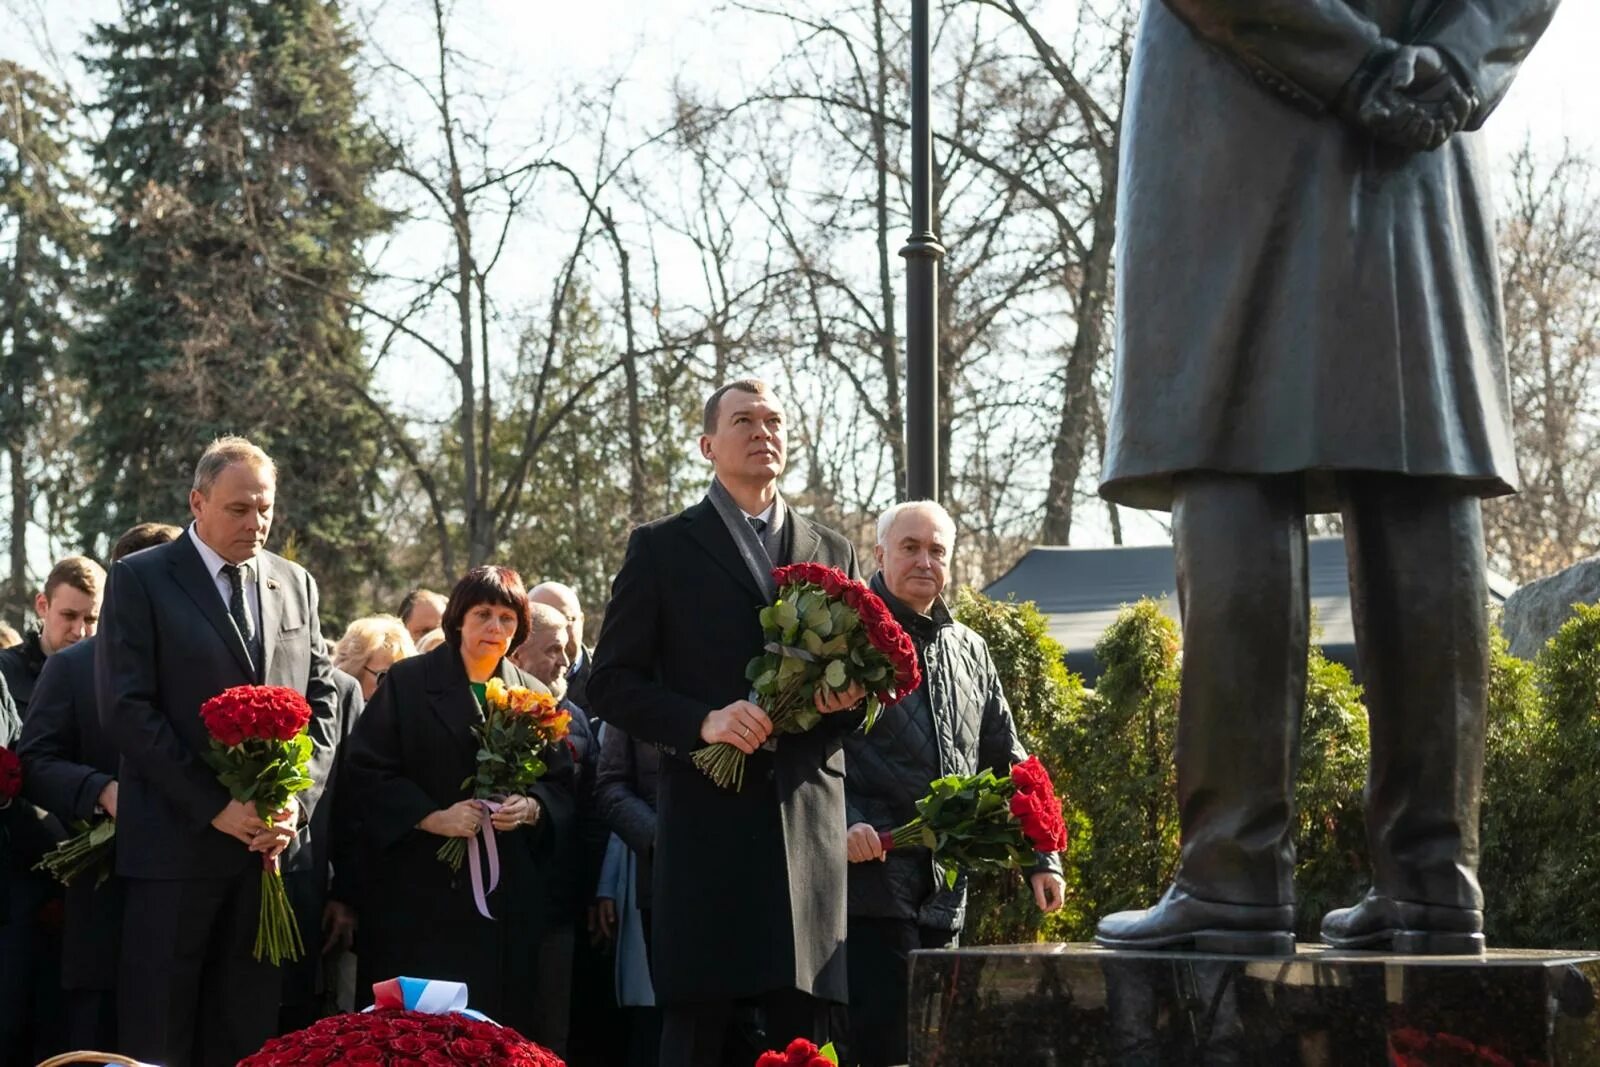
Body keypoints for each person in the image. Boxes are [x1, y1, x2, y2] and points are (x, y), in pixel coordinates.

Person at [1094, 0, 1561, 955]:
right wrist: (1451, 64)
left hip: (1242, 119)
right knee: (1417, 456)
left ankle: (1233, 871)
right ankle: (1433, 877)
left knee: (1230, 444)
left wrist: (1354, 67)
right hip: (1421, 135)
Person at [590, 379, 865, 1066]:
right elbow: (611, 684)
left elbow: (866, 694)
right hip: (706, 834)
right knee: (697, 1038)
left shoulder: (833, 550)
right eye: (743, 420)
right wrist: (702, 721)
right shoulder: (660, 549)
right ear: (708, 444)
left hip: (805, 836)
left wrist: (849, 701)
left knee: (807, 1041)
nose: (762, 431)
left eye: (774, 419)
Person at [96, 436, 341, 1065]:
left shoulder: (296, 584)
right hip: (175, 855)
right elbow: (127, 710)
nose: (255, 523)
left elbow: (323, 699)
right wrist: (215, 806)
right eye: (238, 509)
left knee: (248, 1035)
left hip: (265, 857)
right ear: (197, 503)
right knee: (163, 1035)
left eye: (264, 508)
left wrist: (293, 801)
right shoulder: (140, 579)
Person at [838, 501, 1065, 1066]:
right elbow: (801, 755)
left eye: (937, 550)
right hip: (865, 883)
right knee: (881, 1047)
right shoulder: (843, 637)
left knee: (936, 1049)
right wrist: (840, 820)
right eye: (910, 547)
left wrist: (1044, 856)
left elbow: (1009, 758)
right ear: (879, 554)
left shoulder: (970, 648)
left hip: (945, 892)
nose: (924, 561)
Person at [344, 566, 577, 1036]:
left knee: (493, 1029)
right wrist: (431, 817)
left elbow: (564, 786)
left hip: (503, 905)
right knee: (417, 1035)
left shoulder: (533, 695)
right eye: (483, 614)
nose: (495, 628)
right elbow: (365, 771)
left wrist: (532, 808)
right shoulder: (409, 682)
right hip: (419, 891)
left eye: (508, 619)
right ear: (458, 621)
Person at [17, 523, 182, 1054]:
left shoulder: (213, 664)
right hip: (106, 906)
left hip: (194, 907)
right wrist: (99, 789)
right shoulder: (72, 667)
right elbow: (36, 760)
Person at [511, 601, 607, 1058]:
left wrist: (589, 894)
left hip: (557, 907)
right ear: (517, 656)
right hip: (493, 903)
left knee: (551, 1036)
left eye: (568, 650)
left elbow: (589, 816)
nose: (566, 662)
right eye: (553, 650)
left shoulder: (578, 723)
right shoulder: (488, 711)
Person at [594, 714, 663, 1067]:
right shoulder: (631, 694)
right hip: (653, 864)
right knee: (653, 1006)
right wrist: (607, 885)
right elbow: (613, 792)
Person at [0, 555, 106, 718]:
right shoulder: (5, 672)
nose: (79, 631)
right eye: (69, 615)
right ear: (43, 606)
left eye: (90, 619)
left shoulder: (112, 680)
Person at [530, 581, 593, 716]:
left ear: (581, 620)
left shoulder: (609, 681)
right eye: (541, 623)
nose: (557, 634)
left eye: (565, 620)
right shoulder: (504, 684)